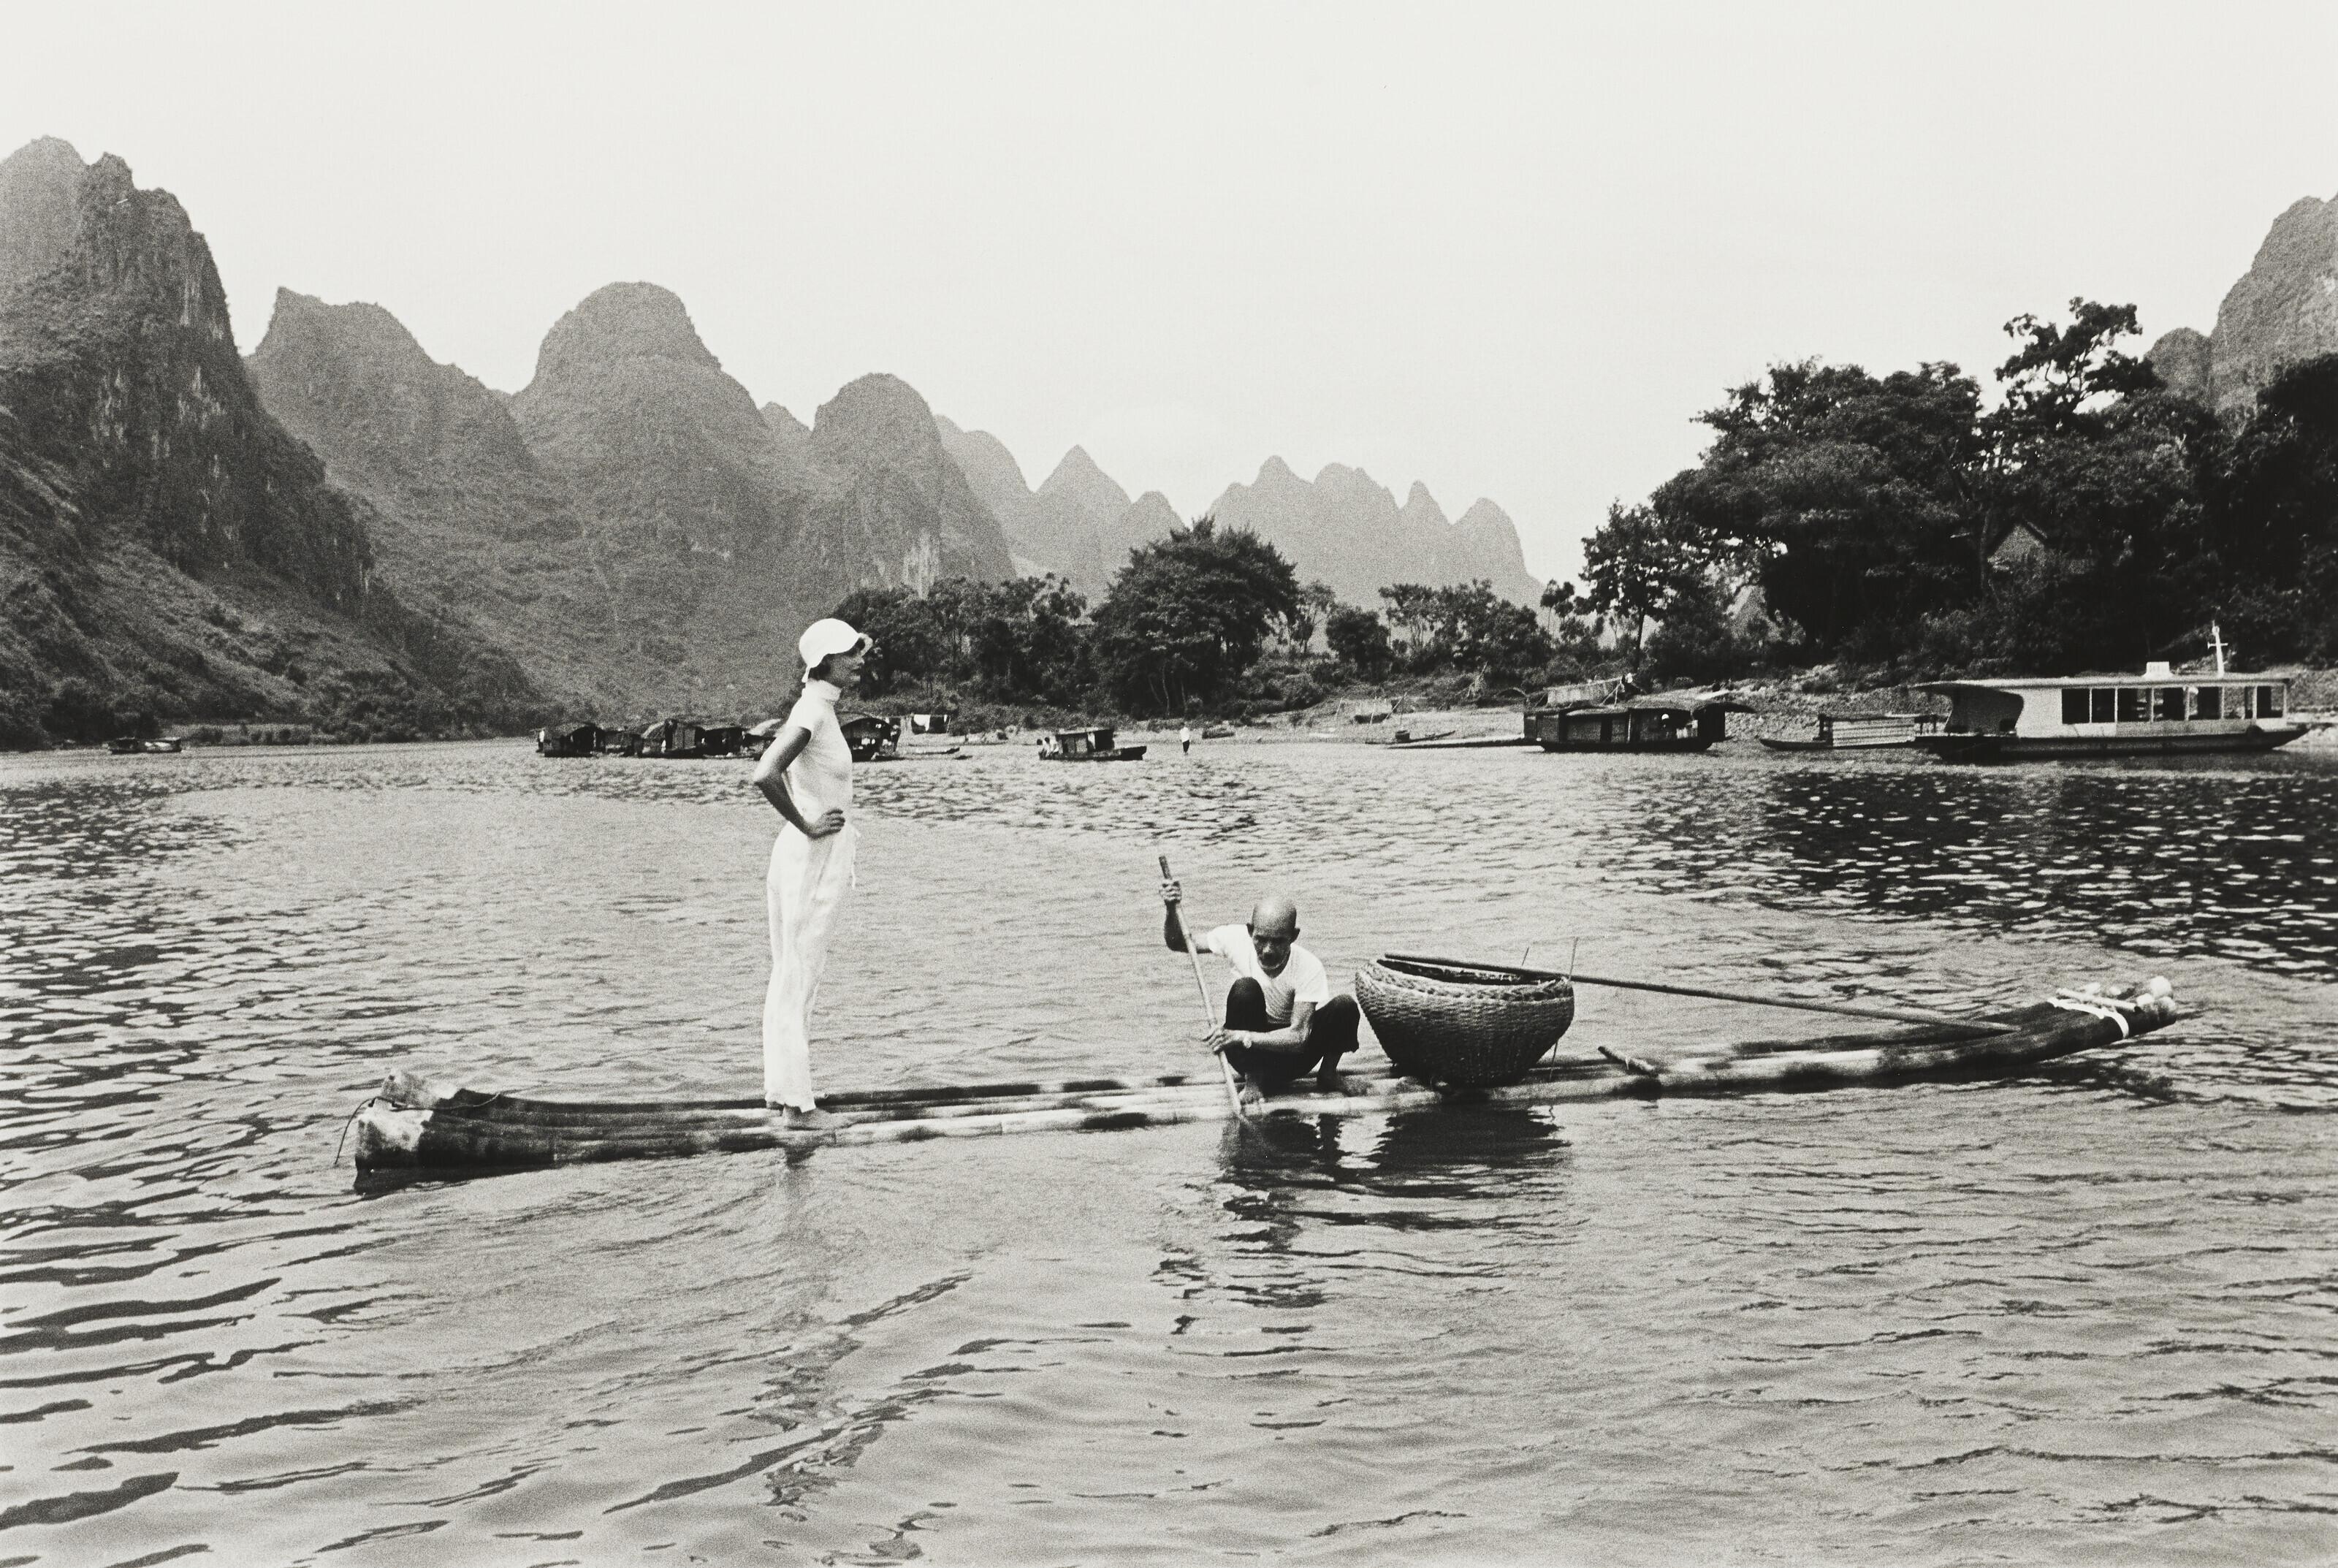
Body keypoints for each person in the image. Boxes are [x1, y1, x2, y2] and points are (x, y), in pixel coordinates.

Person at [753, 617, 871, 1125]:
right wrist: (805, 823)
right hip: (810, 857)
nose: (860, 660)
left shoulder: (821, 708)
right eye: (850, 653)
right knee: (798, 971)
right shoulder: (811, 713)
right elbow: (765, 773)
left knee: (796, 969)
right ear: (825, 663)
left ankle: (784, 1091)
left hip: (814, 855)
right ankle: (798, 1108)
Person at [1159, 878, 1360, 1095]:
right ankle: (1253, 1082)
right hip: (1247, 1057)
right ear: (1250, 931)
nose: (1268, 950)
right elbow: (1178, 942)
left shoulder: (1309, 966)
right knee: (1245, 989)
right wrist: (1171, 907)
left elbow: (1299, 1037)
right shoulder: (1234, 938)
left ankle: (1328, 1075)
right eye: (1261, 940)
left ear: (1294, 936)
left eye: (1279, 941)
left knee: (1344, 1006)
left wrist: (1242, 1036)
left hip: (1291, 1058)